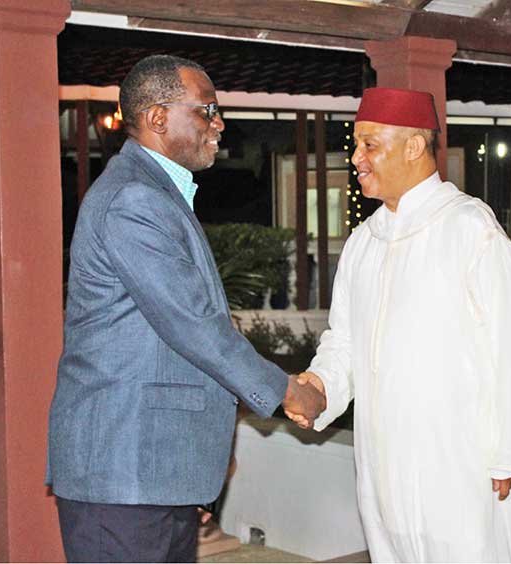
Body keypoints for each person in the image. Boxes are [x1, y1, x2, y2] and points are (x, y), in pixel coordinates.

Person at [46, 55, 325, 563]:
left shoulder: (155, 194)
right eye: (207, 111)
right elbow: (194, 327)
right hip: (123, 474)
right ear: (157, 118)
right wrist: (286, 390)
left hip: (150, 473)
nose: (219, 125)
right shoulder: (135, 199)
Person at [286, 87, 511, 562]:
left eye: (370, 145)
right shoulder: (364, 243)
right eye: (356, 144)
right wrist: (321, 385)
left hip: (460, 461)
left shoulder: (472, 229)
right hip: (383, 461)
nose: (357, 158)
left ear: (413, 146)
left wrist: (510, 451)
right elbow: (343, 340)